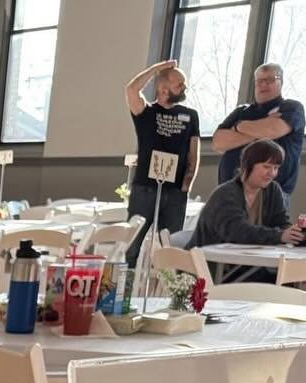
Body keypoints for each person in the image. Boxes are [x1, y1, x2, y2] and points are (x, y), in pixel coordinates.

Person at [188, 139, 302, 282]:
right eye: (266, 167)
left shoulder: (273, 190)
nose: (272, 173)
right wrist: (279, 236)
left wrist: (297, 234)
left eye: (276, 168)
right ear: (248, 165)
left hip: (248, 268)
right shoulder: (225, 194)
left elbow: (281, 223)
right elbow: (237, 232)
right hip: (210, 271)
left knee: (289, 281)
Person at [124, 58, 201, 264]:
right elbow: (131, 89)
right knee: (132, 242)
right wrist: (158, 69)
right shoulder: (146, 112)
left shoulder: (190, 115)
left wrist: (188, 182)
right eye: (179, 84)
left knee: (172, 246)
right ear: (163, 88)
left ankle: (166, 290)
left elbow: (194, 150)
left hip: (175, 190)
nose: (184, 88)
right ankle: (126, 285)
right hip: (145, 188)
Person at [213, 63, 306, 196]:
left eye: (270, 80)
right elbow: (218, 143)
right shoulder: (241, 111)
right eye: (260, 81)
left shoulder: (291, 107)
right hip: (231, 193)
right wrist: (258, 131)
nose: (263, 85)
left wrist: (239, 127)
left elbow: (273, 130)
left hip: (270, 197)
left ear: (281, 81)